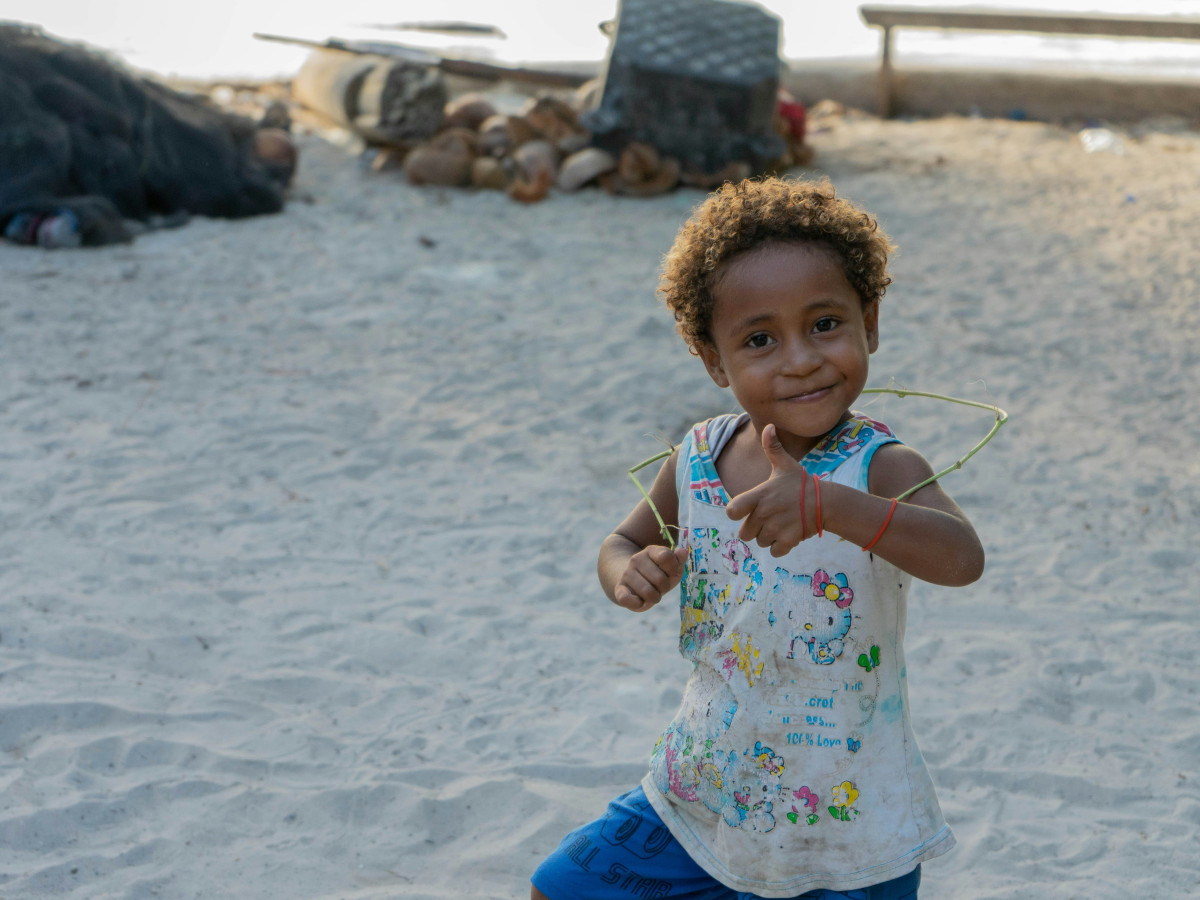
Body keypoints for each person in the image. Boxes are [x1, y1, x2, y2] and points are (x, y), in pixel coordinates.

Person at [530, 177, 985, 900]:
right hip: (704, 785)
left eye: (826, 324)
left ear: (869, 322)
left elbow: (962, 559)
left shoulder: (880, 465)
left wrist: (831, 505)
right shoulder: (700, 456)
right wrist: (629, 570)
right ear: (715, 361)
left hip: (841, 808)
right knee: (561, 888)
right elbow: (621, 541)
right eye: (760, 339)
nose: (800, 358)